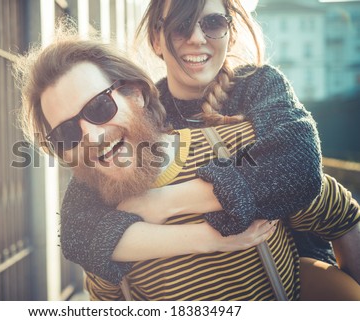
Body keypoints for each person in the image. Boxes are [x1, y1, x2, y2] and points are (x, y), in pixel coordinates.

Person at [14, 37, 360, 300]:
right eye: (67, 132)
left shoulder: (242, 146)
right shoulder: (95, 218)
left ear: (135, 95)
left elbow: (340, 216)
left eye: (99, 107)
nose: (92, 137)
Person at [56, 0, 335, 286]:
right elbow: (78, 233)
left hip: (296, 282)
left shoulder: (260, 84)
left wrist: (162, 203)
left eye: (213, 23)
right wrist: (212, 238)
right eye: (180, 26)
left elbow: (299, 166)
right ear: (156, 38)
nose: (196, 38)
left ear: (231, 32)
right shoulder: (138, 116)